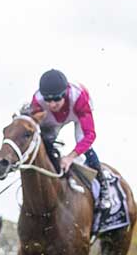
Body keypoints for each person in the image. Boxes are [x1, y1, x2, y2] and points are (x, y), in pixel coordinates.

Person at [29, 69, 114, 214]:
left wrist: (70, 157)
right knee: (46, 143)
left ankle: (104, 187)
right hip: (52, 119)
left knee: (84, 145)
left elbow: (90, 135)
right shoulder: (37, 101)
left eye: (56, 98)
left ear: (65, 93)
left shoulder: (78, 96)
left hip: (76, 112)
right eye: (48, 100)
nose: (52, 104)